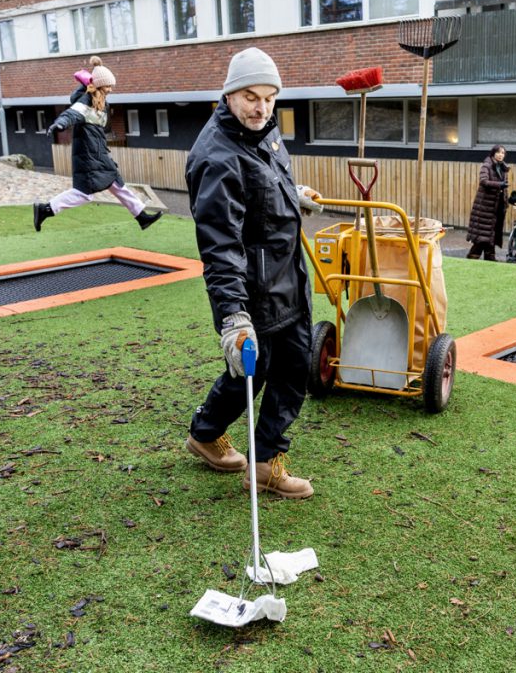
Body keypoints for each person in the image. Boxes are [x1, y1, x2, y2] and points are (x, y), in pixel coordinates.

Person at [183, 47, 323, 500]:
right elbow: (220, 245)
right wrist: (233, 317)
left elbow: (260, 184)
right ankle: (222, 443)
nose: (261, 107)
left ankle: (239, 451)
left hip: (288, 278)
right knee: (258, 371)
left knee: (289, 368)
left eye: (269, 97)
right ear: (227, 95)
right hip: (253, 292)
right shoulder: (216, 157)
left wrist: (292, 194)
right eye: (249, 96)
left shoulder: (263, 132)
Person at [33, 56, 162, 232]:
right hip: (88, 155)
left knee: (117, 184)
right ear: (98, 86)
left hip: (98, 152)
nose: (110, 90)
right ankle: (45, 209)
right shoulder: (85, 102)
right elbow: (71, 114)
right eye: (108, 86)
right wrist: (59, 124)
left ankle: (141, 216)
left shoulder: (102, 104)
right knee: (84, 194)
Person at [465, 145, 509, 261]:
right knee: (483, 237)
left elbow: (504, 188)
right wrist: (499, 185)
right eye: (498, 152)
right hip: (485, 206)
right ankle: (474, 257)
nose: (501, 155)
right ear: (493, 153)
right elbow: (484, 181)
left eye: (503, 153)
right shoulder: (487, 165)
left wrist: (506, 201)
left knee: (491, 233)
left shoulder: (503, 168)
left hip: (496, 206)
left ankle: (490, 257)